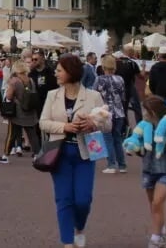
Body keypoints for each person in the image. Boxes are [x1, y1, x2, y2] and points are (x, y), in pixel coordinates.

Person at [39, 54, 111, 248]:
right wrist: (64, 127)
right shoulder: (52, 95)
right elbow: (43, 122)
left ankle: (79, 226)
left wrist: (93, 123)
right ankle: (67, 242)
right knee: (64, 198)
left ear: (71, 72)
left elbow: (108, 125)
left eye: (60, 70)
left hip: (85, 154)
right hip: (59, 154)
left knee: (83, 200)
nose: (56, 73)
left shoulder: (93, 96)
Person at [136, 96, 166, 248]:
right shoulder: (144, 125)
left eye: (146, 111)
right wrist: (136, 148)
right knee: (153, 204)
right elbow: (139, 145)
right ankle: (161, 230)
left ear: (154, 112)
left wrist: (165, 143)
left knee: (157, 202)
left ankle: (155, 238)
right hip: (148, 169)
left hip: (165, 171)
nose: (144, 114)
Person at [0, 59, 40, 164]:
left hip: (17, 113)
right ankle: (37, 155)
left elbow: (9, 97)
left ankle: (5, 155)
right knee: (32, 135)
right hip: (30, 112)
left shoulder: (14, 81)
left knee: (12, 134)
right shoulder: (31, 80)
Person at [95, 54, 127, 174]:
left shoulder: (99, 79)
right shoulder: (120, 79)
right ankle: (122, 165)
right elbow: (123, 96)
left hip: (106, 112)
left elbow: (95, 94)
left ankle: (111, 164)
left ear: (103, 66)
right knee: (117, 138)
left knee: (107, 138)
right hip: (119, 112)